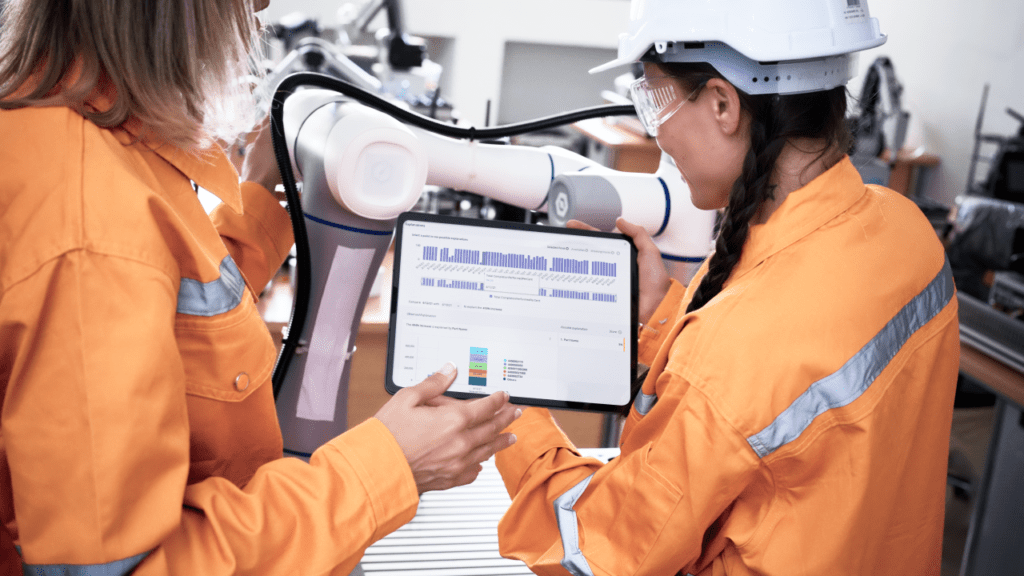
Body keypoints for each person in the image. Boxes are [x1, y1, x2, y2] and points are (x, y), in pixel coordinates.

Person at [0, 0, 518, 574]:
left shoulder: (72, 135)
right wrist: (386, 466)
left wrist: (259, 198)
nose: (265, 4)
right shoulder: (90, 228)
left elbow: (166, 328)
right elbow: (124, 569)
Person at [494, 1, 959, 574]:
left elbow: (592, 551)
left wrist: (509, 406)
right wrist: (663, 314)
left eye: (656, 99)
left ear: (723, 103)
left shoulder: (734, 353)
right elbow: (786, 429)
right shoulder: (907, 233)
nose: (656, 133)